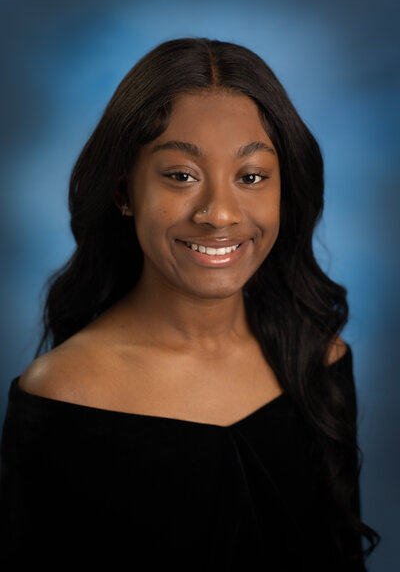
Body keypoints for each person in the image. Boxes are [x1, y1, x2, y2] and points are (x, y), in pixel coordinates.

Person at [0, 37, 380, 570]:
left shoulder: (316, 357)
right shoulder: (65, 393)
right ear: (123, 192)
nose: (219, 214)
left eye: (251, 177)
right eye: (181, 176)